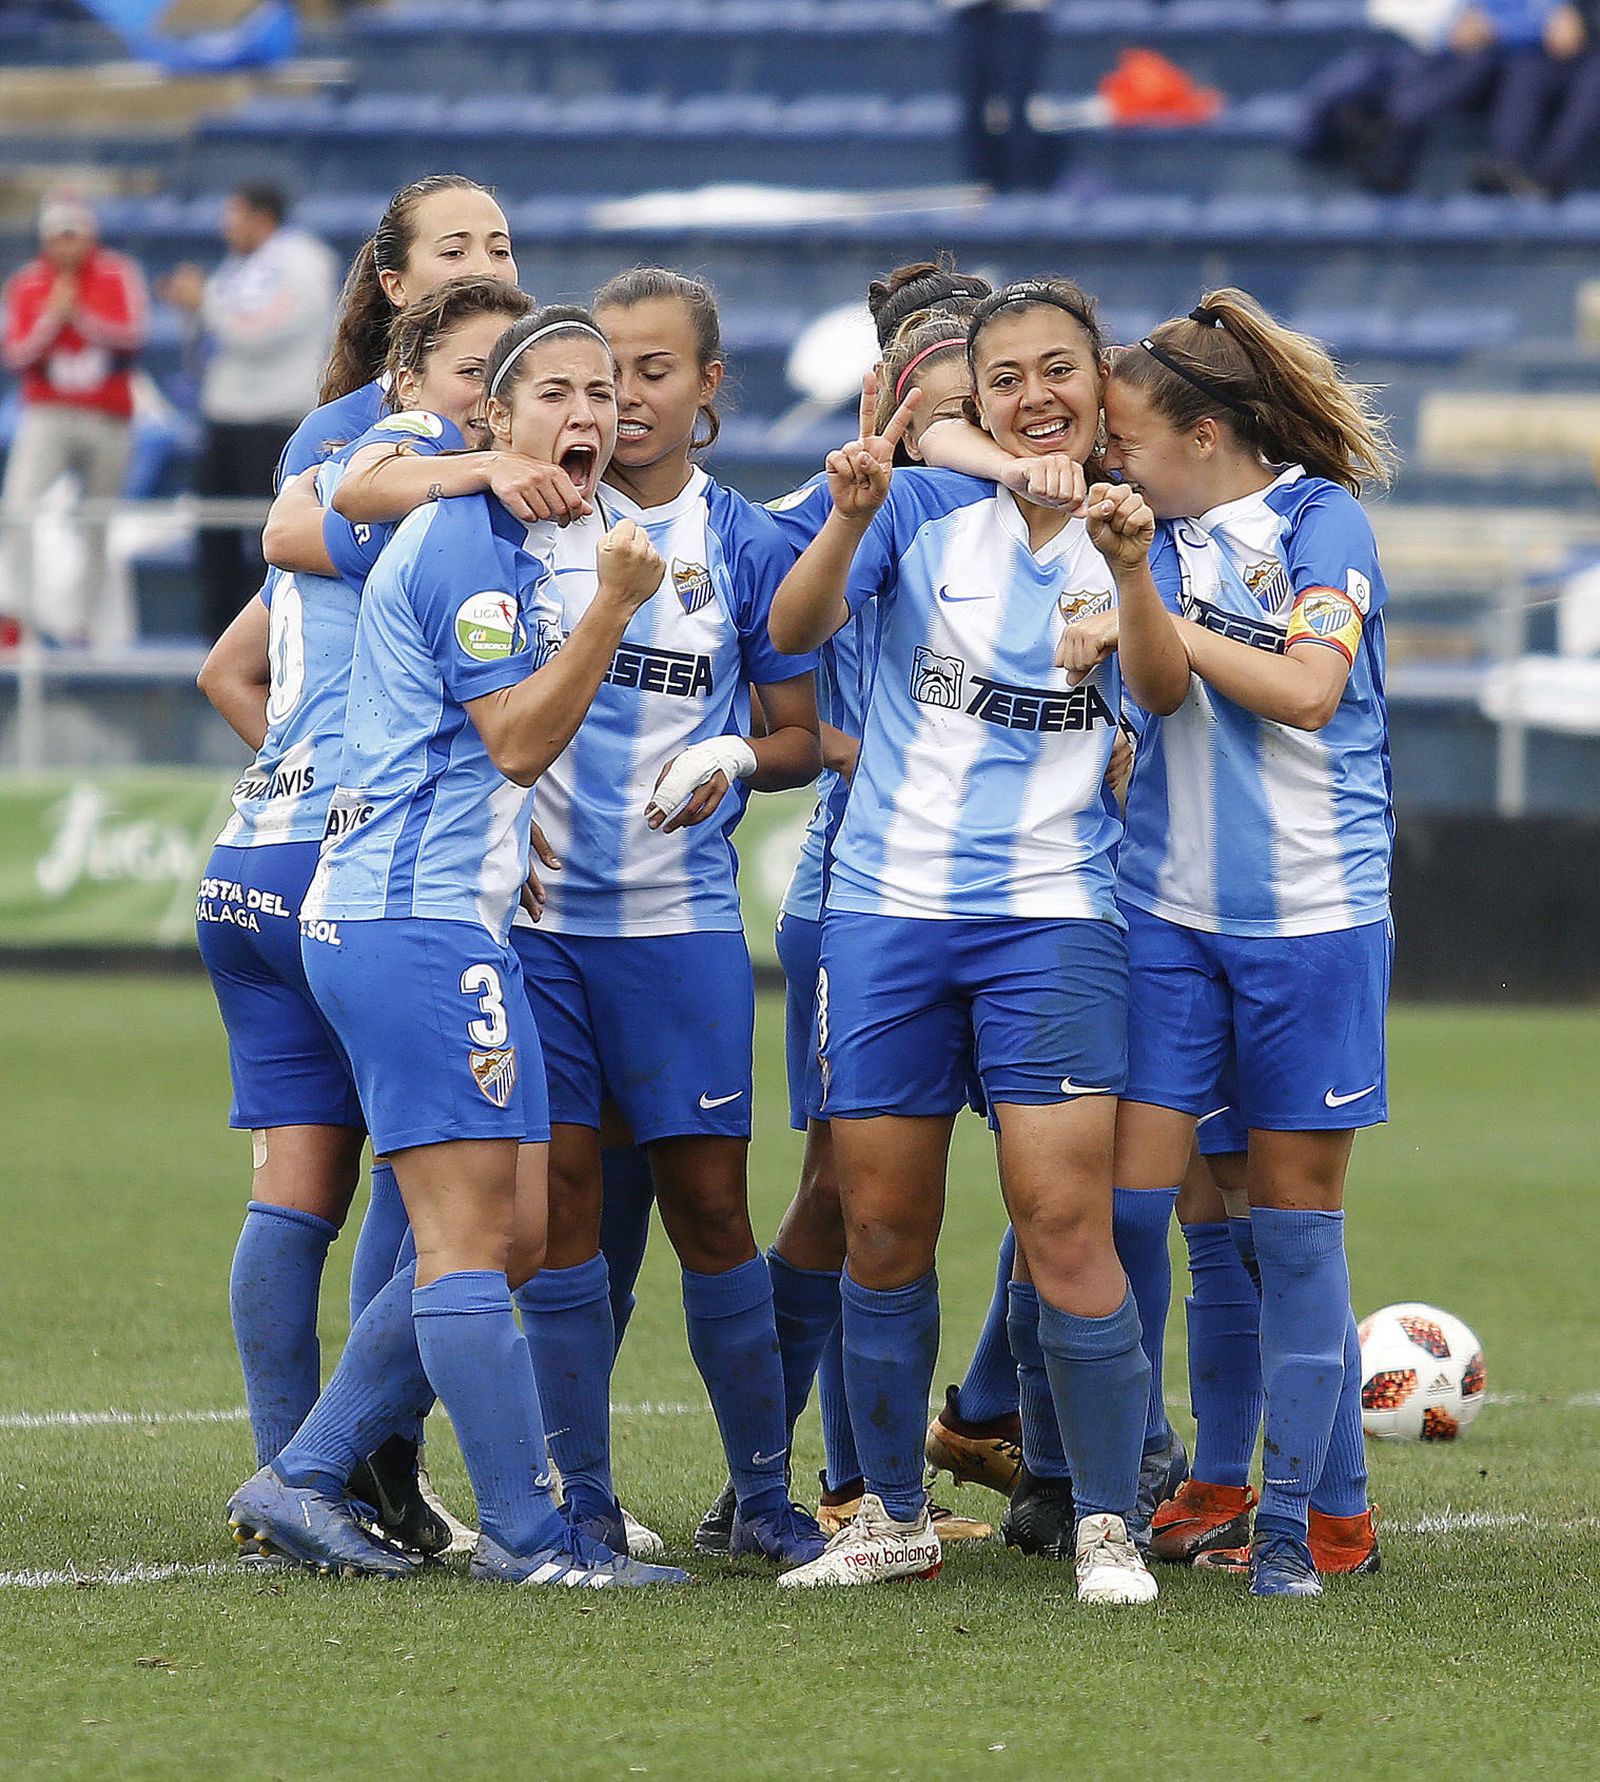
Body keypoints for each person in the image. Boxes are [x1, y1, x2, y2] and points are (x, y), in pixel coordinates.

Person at [328, 270, 828, 1570]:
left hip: (678, 924)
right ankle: (577, 1502)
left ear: (705, 388)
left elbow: (807, 732)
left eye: (644, 376)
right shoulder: (515, 520)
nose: (621, 403)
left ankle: (762, 1496)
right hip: (530, 934)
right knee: (544, 1221)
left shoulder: (742, 542)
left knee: (712, 1211)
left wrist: (736, 753)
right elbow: (353, 492)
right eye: (598, 376)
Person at [227, 304, 689, 1587]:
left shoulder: (506, 541)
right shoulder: (468, 542)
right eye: (553, 393)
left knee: (521, 1231)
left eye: (602, 393)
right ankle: (529, 1539)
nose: (588, 415)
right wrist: (611, 609)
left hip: (447, 918)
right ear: (492, 419)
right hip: (409, 921)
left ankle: (305, 1472)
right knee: (473, 1240)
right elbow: (518, 741)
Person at [767, 279, 1161, 1604]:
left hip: (1055, 916)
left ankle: (1108, 1522)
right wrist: (848, 514)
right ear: (976, 400)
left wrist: (1132, 583)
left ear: (1101, 382)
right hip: (889, 913)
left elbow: (1163, 692)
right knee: (882, 1223)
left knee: (1064, 1220)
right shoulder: (920, 506)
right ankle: (889, 1516)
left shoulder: (1139, 528)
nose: (1036, 394)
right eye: (1007, 377)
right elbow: (791, 632)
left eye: (1060, 369)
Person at [1062, 287, 1397, 1595]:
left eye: (1128, 437)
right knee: (1139, 1206)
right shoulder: (1150, 539)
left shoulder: (1320, 523)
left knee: (1294, 1230)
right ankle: (1155, 1476)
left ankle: (1303, 1523)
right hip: (1167, 918)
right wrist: (1129, 586)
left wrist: (1168, 619)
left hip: (1311, 924)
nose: (1111, 459)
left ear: (1202, 434)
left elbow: (1310, 691)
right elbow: (1152, 691)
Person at [197, 275, 537, 1559]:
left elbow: (226, 665)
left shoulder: (342, 483)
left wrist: (295, 784)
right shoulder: (428, 499)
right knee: (458, 1211)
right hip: (359, 875)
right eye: (473, 369)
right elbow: (334, 515)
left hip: (249, 856)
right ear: (405, 376)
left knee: (295, 1195)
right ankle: (335, 1471)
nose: (491, 396)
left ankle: (299, 1485)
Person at [755, 289, 1004, 1553]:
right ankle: (807, 1479)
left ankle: (1021, 1429)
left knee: (1078, 1177)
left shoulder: (1048, 507)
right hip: (865, 884)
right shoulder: (839, 509)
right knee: (846, 1194)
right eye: (944, 409)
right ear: (891, 405)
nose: (970, 433)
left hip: (1028, 891)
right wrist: (873, 750)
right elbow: (765, 650)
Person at [160, 180, 337, 639]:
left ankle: (269, 639)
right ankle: (219, 640)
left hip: (274, 420)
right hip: (226, 418)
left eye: (235, 215)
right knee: (215, 533)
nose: (227, 227)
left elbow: (259, 333)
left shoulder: (303, 262)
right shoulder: (237, 267)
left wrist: (204, 304)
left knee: (267, 535)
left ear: (261, 217)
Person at [277, 173, 517, 488]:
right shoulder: (333, 433)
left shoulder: (547, 410)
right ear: (395, 285)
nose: (485, 269)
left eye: (499, 251)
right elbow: (294, 520)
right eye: (453, 252)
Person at [0, 189, 148, 646]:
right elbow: (16, 353)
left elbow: (132, 336)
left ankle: (84, 623)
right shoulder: (27, 283)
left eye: (74, 235)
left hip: (107, 415)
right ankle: (20, 615)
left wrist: (80, 316)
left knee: (97, 520)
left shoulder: (117, 273)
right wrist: (51, 320)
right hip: (49, 412)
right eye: (58, 236)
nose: (67, 246)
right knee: (18, 508)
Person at [943, 0, 1054, 191]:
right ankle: (979, 187)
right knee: (973, 110)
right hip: (967, 12)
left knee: (1021, 109)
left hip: (1022, 10)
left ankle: (1025, 188)